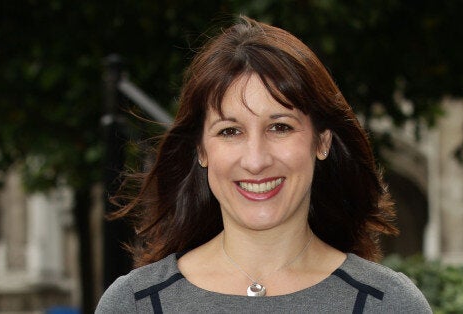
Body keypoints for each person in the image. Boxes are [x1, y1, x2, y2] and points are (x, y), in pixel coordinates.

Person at [96, 16, 432, 313]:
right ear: (201, 150)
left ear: (322, 142)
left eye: (280, 127)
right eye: (230, 131)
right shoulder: (134, 304)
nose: (256, 160)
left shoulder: (388, 304)